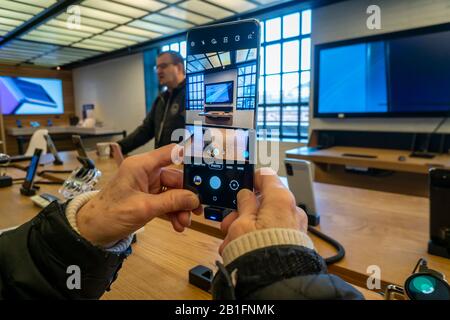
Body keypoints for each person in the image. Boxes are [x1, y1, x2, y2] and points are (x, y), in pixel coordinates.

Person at [0, 145, 363, 299]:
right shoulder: (163, 100)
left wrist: (86, 226)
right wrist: (279, 268)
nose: (158, 71)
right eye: (154, 66)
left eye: (163, 66)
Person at [117, 51, 186, 154]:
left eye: (163, 66)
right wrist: (119, 147)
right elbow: (146, 130)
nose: (158, 71)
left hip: (183, 166)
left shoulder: (192, 95)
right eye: (157, 67)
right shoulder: (161, 99)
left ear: (179, 67)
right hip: (162, 164)